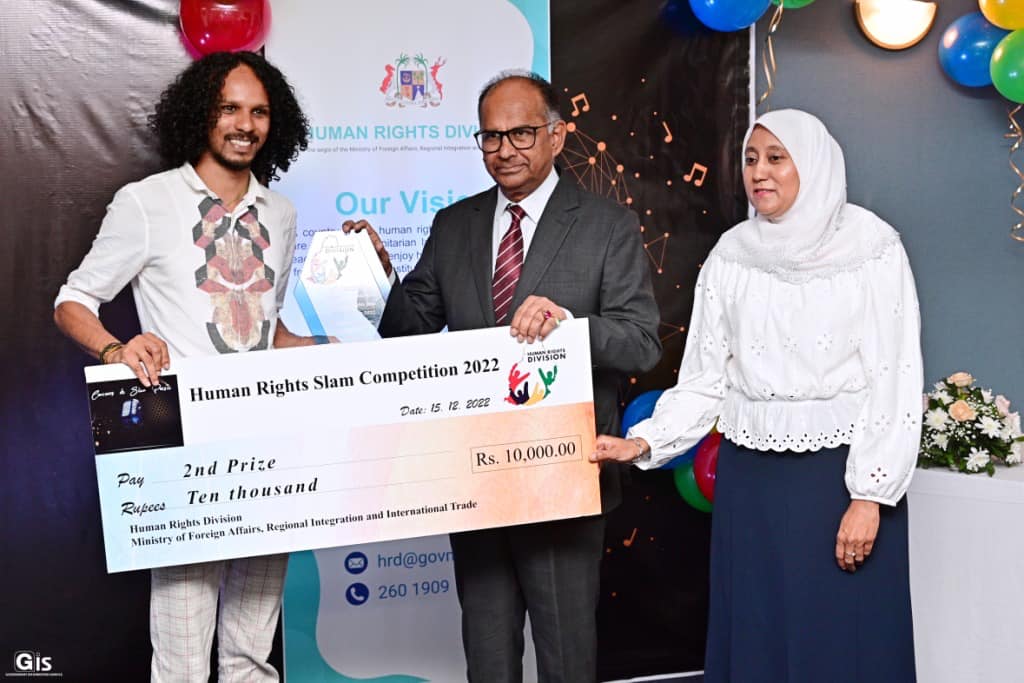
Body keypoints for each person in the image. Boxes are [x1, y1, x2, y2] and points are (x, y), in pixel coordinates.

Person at [349, 71, 661, 682]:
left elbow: (642, 343)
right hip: (476, 475)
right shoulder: (454, 224)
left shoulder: (607, 225)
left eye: (521, 133)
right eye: (491, 137)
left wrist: (568, 327)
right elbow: (410, 329)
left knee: (566, 656)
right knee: (488, 655)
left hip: (564, 474)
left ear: (556, 135)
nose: (504, 150)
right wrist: (378, 273)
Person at [591, 109, 921, 682]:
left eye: (775, 158)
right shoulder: (732, 253)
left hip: (838, 479)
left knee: (842, 636)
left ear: (812, 164)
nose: (758, 172)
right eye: (749, 159)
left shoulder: (871, 246)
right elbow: (705, 377)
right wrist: (643, 442)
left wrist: (870, 495)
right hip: (750, 482)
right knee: (758, 629)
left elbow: (896, 375)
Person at [54, 51, 317, 682]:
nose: (245, 125)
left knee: (253, 651)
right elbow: (73, 301)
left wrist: (335, 352)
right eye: (230, 108)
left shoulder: (281, 214)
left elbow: (269, 328)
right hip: (179, 449)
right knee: (181, 658)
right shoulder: (147, 202)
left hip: (269, 445)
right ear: (202, 114)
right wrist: (116, 349)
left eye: (259, 112)